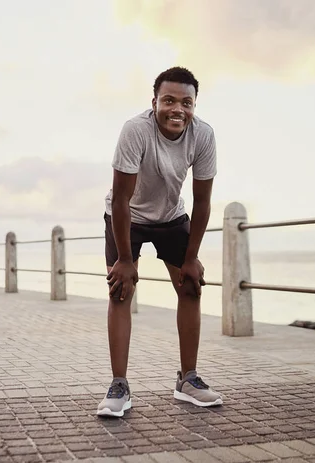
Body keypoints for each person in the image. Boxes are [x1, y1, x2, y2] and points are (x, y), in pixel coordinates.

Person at [97, 66, 222, 418]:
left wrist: (192, 258)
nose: (177, 109)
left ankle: (188, 380)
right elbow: (121, 199)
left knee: (191, 287)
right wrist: (124, 259)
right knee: (120, 290)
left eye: (186, 102)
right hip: (128, 217)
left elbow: (203, 202)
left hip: (171, 217)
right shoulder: (135, 130)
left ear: (194, 105)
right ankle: (119, 385)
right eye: (169, 100)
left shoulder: (204, 136)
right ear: (154, 102)